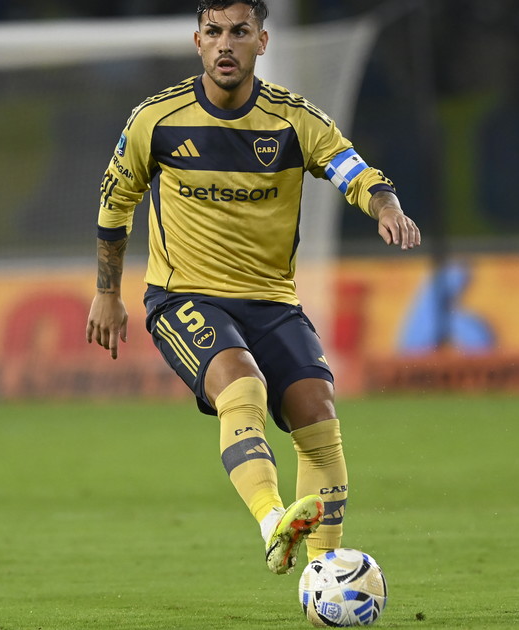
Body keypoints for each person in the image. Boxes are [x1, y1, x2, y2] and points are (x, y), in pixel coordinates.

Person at [85, 0, 420, 575]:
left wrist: (385, 207)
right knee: (243, 386)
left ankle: (324, 573)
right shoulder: (155, 120)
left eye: (239, 31)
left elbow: (354, 171)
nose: (225, 43)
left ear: (262, 42)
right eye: (213, 31)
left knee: (318, 411)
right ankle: (272, 522)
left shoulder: (294, 120)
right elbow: (116, 204)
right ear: (197, 41)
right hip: (184, 296)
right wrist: (108, 293)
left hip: (271, 301)